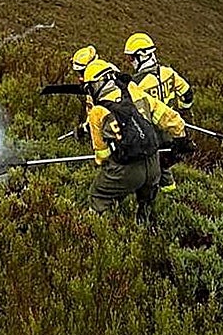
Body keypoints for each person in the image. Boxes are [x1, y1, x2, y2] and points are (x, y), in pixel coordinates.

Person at [81, 59, 191, 222]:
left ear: (95, 85)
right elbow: (167, 116)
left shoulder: (97, 112)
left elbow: (102, 155)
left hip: (127, 169)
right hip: (154, 163)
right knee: (147, 202)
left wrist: (107, 163)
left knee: (98, 195)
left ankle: (89, 228)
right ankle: (145, 227)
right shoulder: (134, 90)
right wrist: (181, 138)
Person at [123, 32, 194, 191]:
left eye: (131, 58)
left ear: (142, 56)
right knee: (164, 164)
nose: (130, 62)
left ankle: (153, 192)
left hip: (151, 133)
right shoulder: (169, 73)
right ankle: (170, 190)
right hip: (170, 129)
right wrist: (181, 112)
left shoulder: (136, 84)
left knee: (153, 165)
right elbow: (187, 94)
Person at [70, 45, 98, 141]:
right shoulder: (92, 82)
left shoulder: (99, 83)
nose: (80, 77)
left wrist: (86, 128)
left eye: (82, 72)